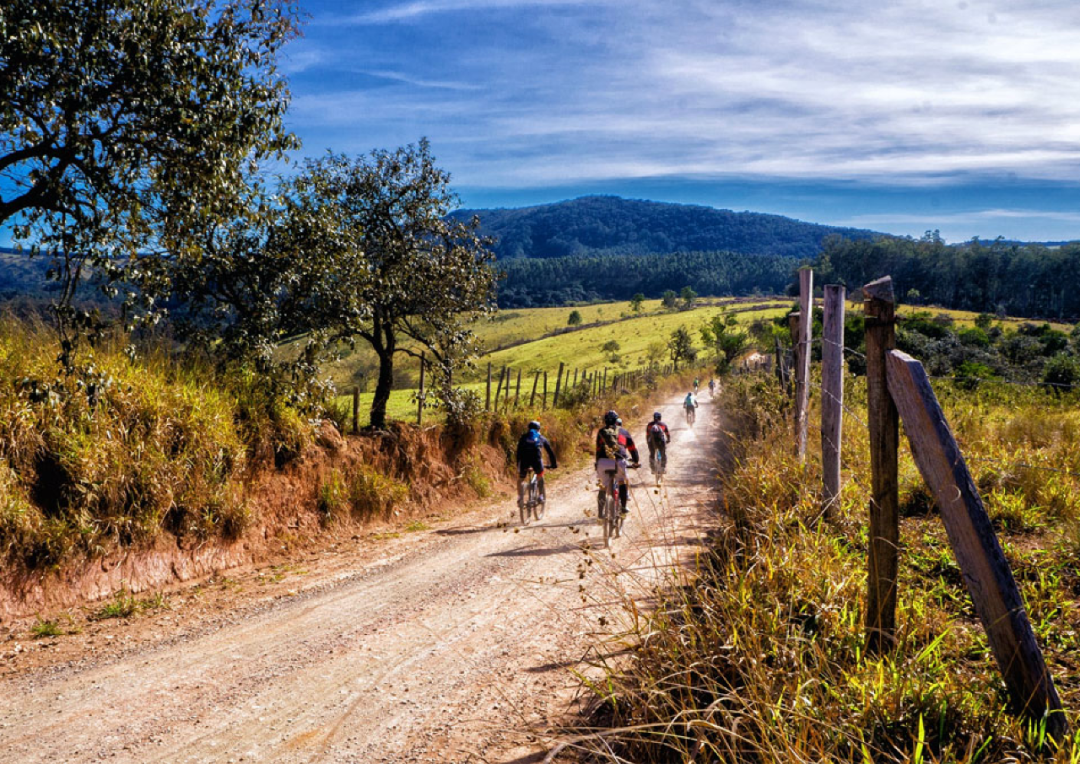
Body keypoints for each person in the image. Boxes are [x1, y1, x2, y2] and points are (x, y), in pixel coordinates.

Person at [595, 409, 639, 514]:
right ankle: (623, 507)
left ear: (605, 421)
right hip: (619, 461)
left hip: (603, 462)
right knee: (621, 482)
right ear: (616, 420)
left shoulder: (601, 432)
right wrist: (636, 461)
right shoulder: (624, 432)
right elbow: (632, 449)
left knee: (603, 487)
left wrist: (597, 464)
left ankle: (600, 514)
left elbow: (597, 450)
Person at [516, 420, 556, 509]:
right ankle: (541, 496)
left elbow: (518, 451)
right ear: (539, 429)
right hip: (536, 461)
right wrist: (553, 464)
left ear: (528, 428)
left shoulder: (523, 437)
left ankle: (519, 497)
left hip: (524, 461)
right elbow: (550, 452)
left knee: (521, 478)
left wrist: (518, 463)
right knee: (540, 475)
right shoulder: (541, 438)